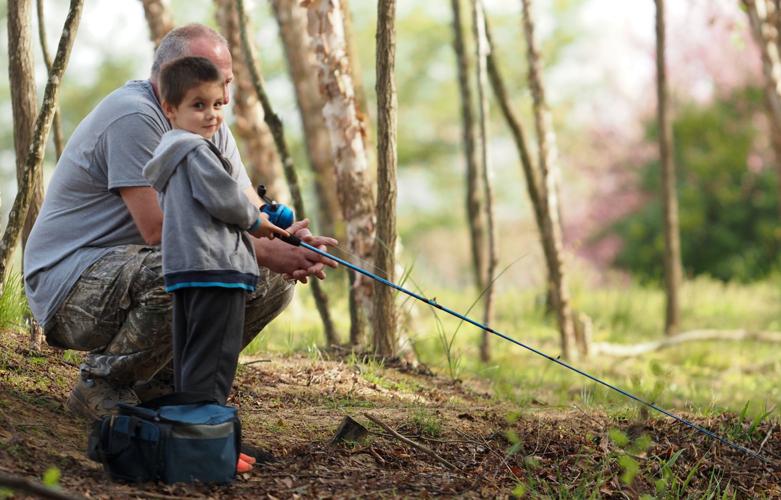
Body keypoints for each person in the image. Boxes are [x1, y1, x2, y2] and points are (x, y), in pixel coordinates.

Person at [23, 24, 337, 422]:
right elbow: (159, 230)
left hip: (133, 266)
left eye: (227, 82)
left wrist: (287, 239)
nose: (222, 97)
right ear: (174, 76)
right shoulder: (134, 116)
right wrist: (262, 250)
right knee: (188, 266)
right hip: (71, 284)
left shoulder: (206, 117)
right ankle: (101, 385)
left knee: (269, 281)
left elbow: (246, 203)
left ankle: (167, 383)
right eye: (213, 81)